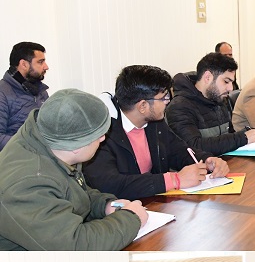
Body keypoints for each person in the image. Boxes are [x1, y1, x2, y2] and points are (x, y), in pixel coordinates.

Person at [0, 89, 145, 250]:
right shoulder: (29, 185)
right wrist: (131, 218)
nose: (103, 138)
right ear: (76, 146)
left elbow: (73, 190)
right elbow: (75, 245)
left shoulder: (49, 143)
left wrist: (105, 205)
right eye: (98, 135)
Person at [83, 65, 229, 200]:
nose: (168, 102)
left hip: (155, 203)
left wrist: (207, 161)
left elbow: (178, 151)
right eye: (164, 98)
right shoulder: (102, 134)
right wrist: (174, 180)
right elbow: (111, 185)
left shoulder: (154, 122)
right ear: (143, 106)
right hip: (122, 211)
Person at [167, 53, 255, 156]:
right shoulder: (179, 107)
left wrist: (247, 133)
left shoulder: (218, 100)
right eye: (226, 81)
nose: (231, 88)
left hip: (225, 161)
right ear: (208, 77)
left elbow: (230, 136)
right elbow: (194, 147)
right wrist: (242, 138)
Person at [1, 42, 49, 151]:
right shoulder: (2, 93)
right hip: (18, 156)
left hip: (44, 154)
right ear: (24, 64)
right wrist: (32, 146)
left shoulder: (41, 91)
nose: (46, 67)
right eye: (40, 62)